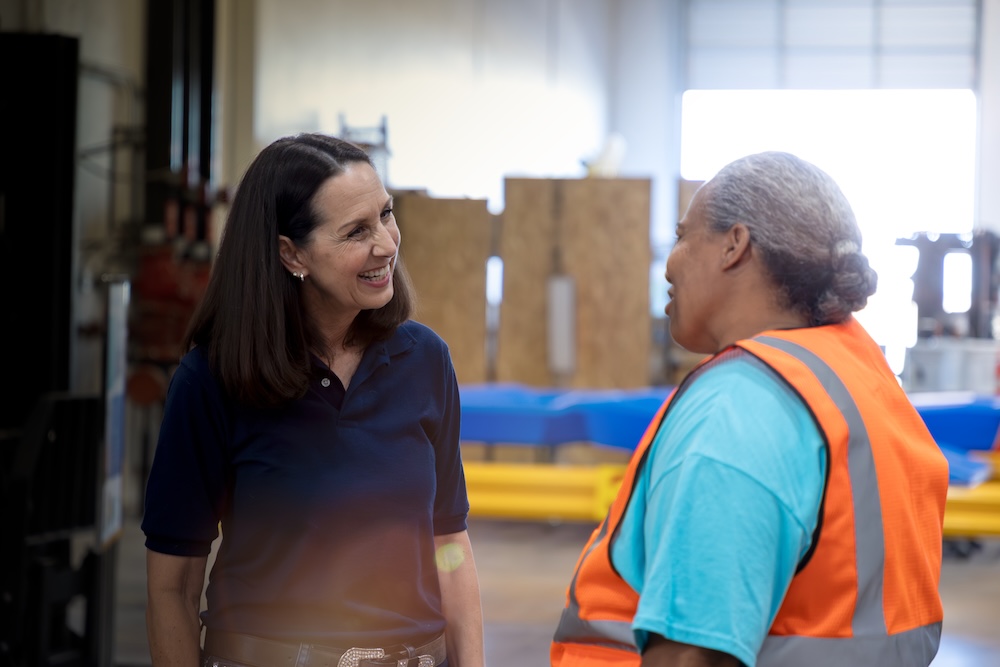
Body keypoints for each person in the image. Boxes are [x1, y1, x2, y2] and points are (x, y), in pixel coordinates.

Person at [551, 151, 948, 667]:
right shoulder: (859, 382)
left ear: (734, 245)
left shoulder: (739, 409)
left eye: (681, 236)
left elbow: (690, 655)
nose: (669, 264)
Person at [142, 133, 484, 667]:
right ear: (290, 253)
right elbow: (173, 587)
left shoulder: (425, 361)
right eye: (356, 232)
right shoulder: (213, 379)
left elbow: (451, 542)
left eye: (386, 215)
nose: (387, 244)